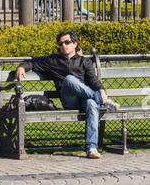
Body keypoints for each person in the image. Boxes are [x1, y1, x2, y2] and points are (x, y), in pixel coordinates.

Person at [15, 29, 120, 159]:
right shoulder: (53, 61)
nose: (63, 46)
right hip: (68, 99)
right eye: (60, 44)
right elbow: (33, 63)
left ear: (75, 43)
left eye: (66, 42)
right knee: (69, 79)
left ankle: (91, 148)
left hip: (84, 99)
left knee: (92, 103)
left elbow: (92, 80)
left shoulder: (84, 62)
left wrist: (102, 89)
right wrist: (21, 67)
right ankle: (103, 100)